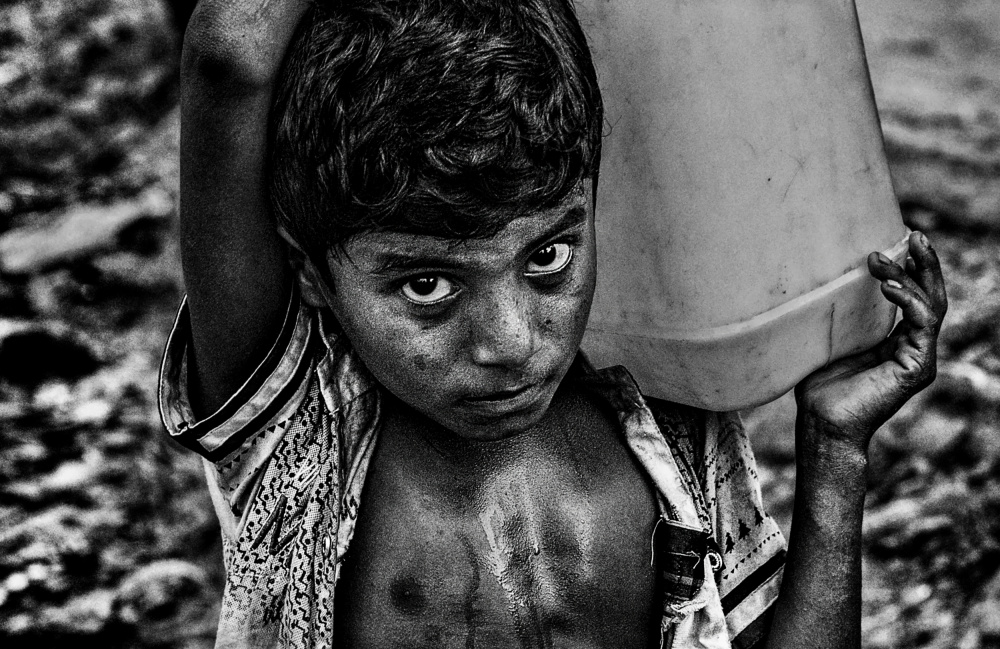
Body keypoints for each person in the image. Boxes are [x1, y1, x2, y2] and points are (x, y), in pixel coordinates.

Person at [158, 0, 948, 647]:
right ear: (310, 272)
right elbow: (231, 54)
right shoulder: (298, 429)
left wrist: (836, 453)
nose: (509, 341)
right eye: (428, 284)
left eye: (548, 257)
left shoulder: (667, 418)